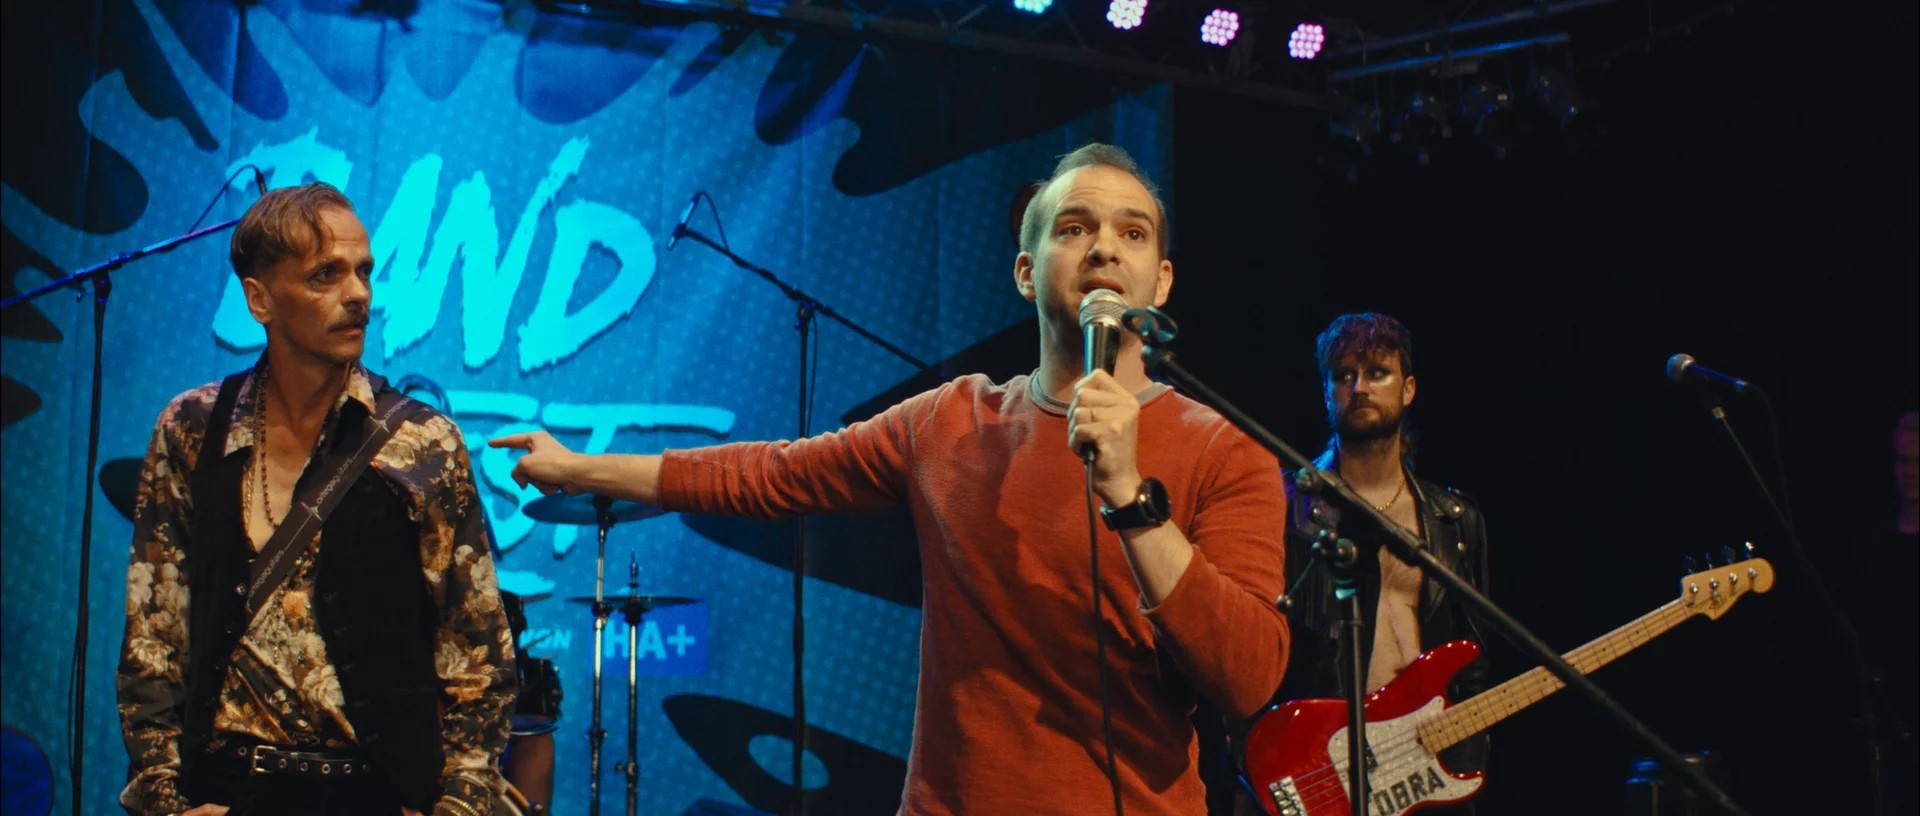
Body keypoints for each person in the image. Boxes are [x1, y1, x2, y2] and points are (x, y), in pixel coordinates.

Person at [492, 143, 1292, 814]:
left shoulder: (1227, 452)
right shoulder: (951, 422)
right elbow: (769, 475)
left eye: (1132, 233)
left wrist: (1133, 499)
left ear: (1161, 283)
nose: (1105, 249)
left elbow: (1249, 676)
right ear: (1025, 271)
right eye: (1074, 228)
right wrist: (580, 466)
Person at [116, 182, 516, 816]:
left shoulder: (422, 443)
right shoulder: (192, 428)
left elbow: (480, 658)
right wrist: (167, 802)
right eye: (325, 275)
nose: (357, 294)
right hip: (227, 789)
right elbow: (154, 639)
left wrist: (457, 808)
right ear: (259, 299)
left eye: (364, 271)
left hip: (375, 795)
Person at [1268, 312, 1492, 812]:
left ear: (1408, 389)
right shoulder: (1284, 508)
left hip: (1423, 773)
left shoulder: (1456, 521)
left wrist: (1466, 757)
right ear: (1326, 393)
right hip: (1322, 770)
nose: (1360, 388)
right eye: (1344, 376)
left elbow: (1473, 663)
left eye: (1377, 373)